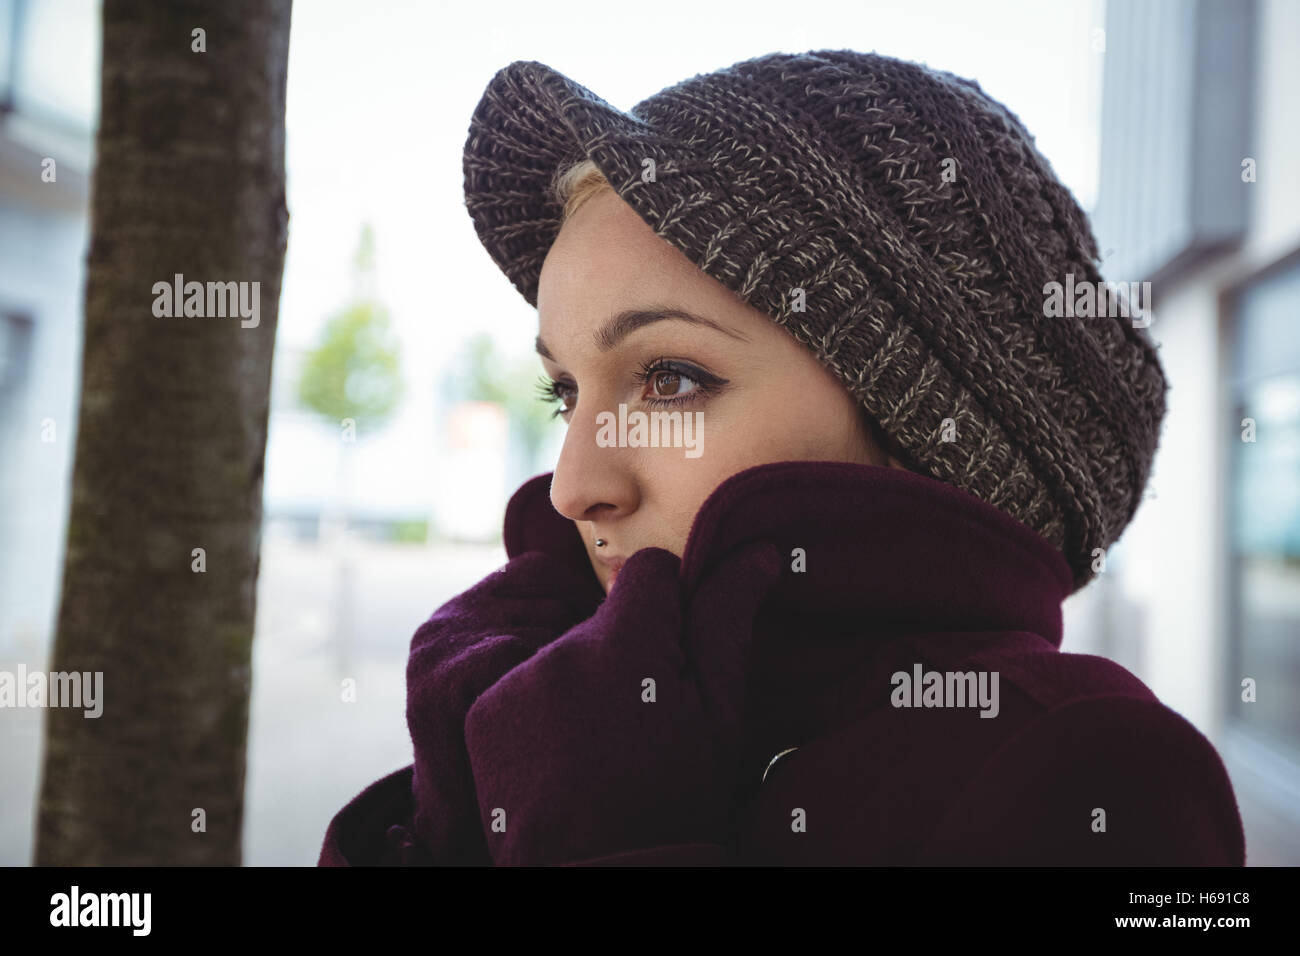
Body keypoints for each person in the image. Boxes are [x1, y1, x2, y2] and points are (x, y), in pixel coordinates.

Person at [318, 49, 1246, 866]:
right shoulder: (555, 694)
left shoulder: (1094, 771)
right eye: (564, 393)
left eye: (670, 380)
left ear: (920, 423)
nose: (572, 486)